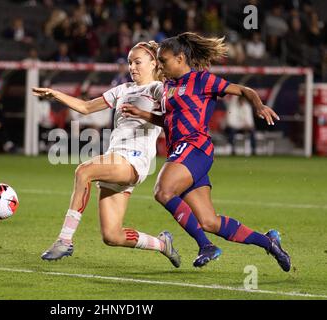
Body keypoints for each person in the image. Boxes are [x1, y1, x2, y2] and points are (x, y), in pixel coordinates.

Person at [122, 32, 291, 272]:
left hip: (195, 147)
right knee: (209, 221)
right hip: (182, 153)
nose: (160, 66)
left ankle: (206, 246)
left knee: (163, 191)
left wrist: (259, 105)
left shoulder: (203, 80)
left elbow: (244, 90)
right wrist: (145, 115)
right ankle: (269, 242)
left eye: (164, 61)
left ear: (180, 59)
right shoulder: (169, 86)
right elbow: (169, 121)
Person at [32, 41, 180, 267]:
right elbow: (85, 107)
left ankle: (64, 240)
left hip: (133, 160)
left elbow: (176, 115)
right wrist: (56, 95)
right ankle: (162, 244)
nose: (132, 67)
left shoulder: (158, 90)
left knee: (84, 171)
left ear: (153, 63)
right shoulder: (123, 89)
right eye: (130, 62)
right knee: (112, 235)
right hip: (116, 159)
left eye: (138, 62)